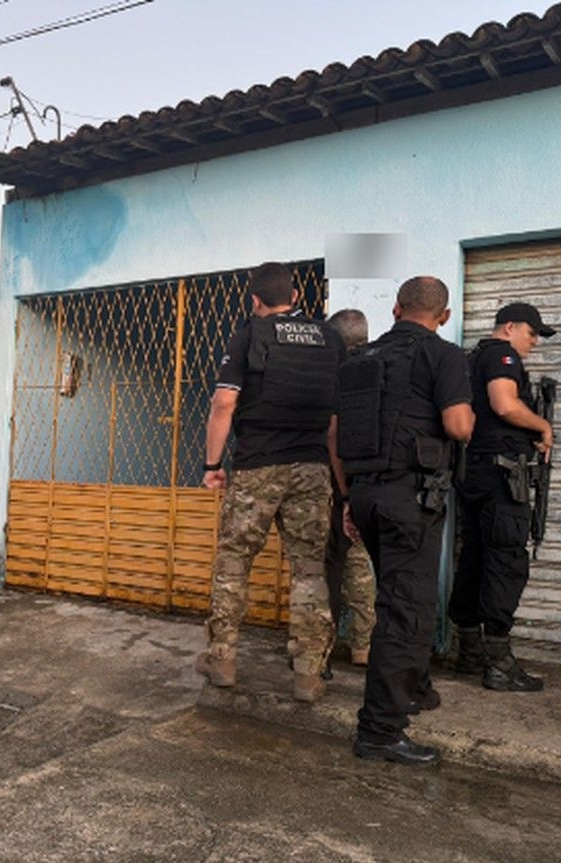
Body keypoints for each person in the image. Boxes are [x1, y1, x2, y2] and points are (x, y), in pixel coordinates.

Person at [334, 276, 473, 764]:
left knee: (397, 599)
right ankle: (380, 731)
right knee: (407, 613)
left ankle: (414, 689)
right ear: (444, 316)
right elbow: (458, 425)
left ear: (396, 309)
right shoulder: (444, 355)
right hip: (410, 499)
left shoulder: (361, 359)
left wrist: (349, 497)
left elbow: (336, 434)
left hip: (366, 494)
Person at [192, 261, 347, 702]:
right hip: (312, 467)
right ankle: (308, 674)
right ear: (295, 297)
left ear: (255, 300)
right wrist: (342, 483)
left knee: (234, 560)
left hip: (257, 465)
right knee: (309, 567)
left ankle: (222, 659)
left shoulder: (250, 334)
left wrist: (212, 464)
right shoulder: (330, 339)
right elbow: (335, 421)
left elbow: (224, 403)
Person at [448, 302, 556, 692]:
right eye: (532, 333)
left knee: (474, 557)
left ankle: (469, 651)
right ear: (509, 327)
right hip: (501, 475)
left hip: (475, 471)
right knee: (506, 560)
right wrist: (542, 426)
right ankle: (498, 662)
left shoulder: (473, 358)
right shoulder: (501, 355)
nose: (534, 342)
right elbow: (504, 404)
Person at [324, 309, 376, 669]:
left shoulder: (329, 373)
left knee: (324, 566)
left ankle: (320, 649)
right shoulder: (377, 369)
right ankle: (363, 645)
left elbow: (331, 432)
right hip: (368, 480)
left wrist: (342, 493)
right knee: (358, 562)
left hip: (329, 481)